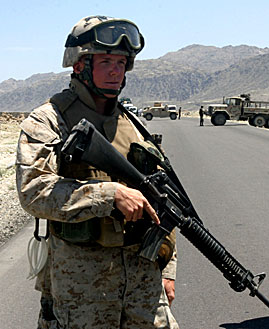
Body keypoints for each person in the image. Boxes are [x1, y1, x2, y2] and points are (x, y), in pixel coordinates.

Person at [16, 16, 179, 329]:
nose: (116, 70)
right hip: (83, 291)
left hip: (144, 292)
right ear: (79, 66)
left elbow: (166, 204)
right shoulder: (49, 121)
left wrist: (168, 271)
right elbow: (34, 191)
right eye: (105, 61)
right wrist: (110, 194)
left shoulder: (135, 126)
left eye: (121, 62)